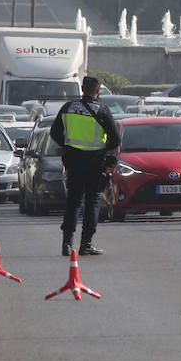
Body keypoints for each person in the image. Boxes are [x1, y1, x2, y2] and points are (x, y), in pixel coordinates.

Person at [50, 76, 121, 256]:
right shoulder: (102, 111)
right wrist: (104, 152)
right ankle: (86, 244)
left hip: (73, 161)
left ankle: (66, 244)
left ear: (82, 88)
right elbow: (115, 140)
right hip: (94, 162)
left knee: (73, 202)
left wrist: (67, 146)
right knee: (92, 201)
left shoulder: (68, 108)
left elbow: (55, 132)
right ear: (98, 91)